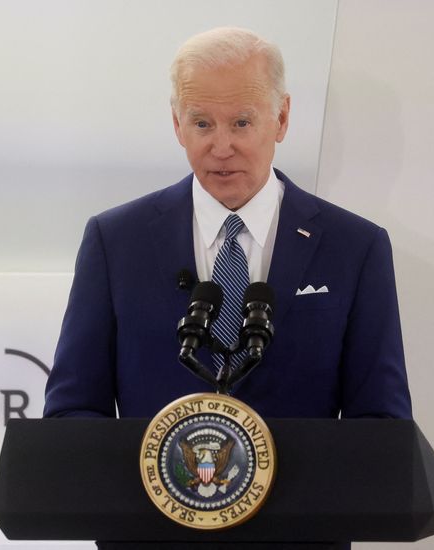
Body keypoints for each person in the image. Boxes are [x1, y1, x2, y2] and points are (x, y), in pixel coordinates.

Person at [44, 26, 410, 422]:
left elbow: (381, 425)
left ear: (282, 119)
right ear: (176, 124)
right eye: (202, 124)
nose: (221, 148)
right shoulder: (114, 242)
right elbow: (72, 411)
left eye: (241, 123)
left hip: (304, 485)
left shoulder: (355, 248)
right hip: (148, 484)